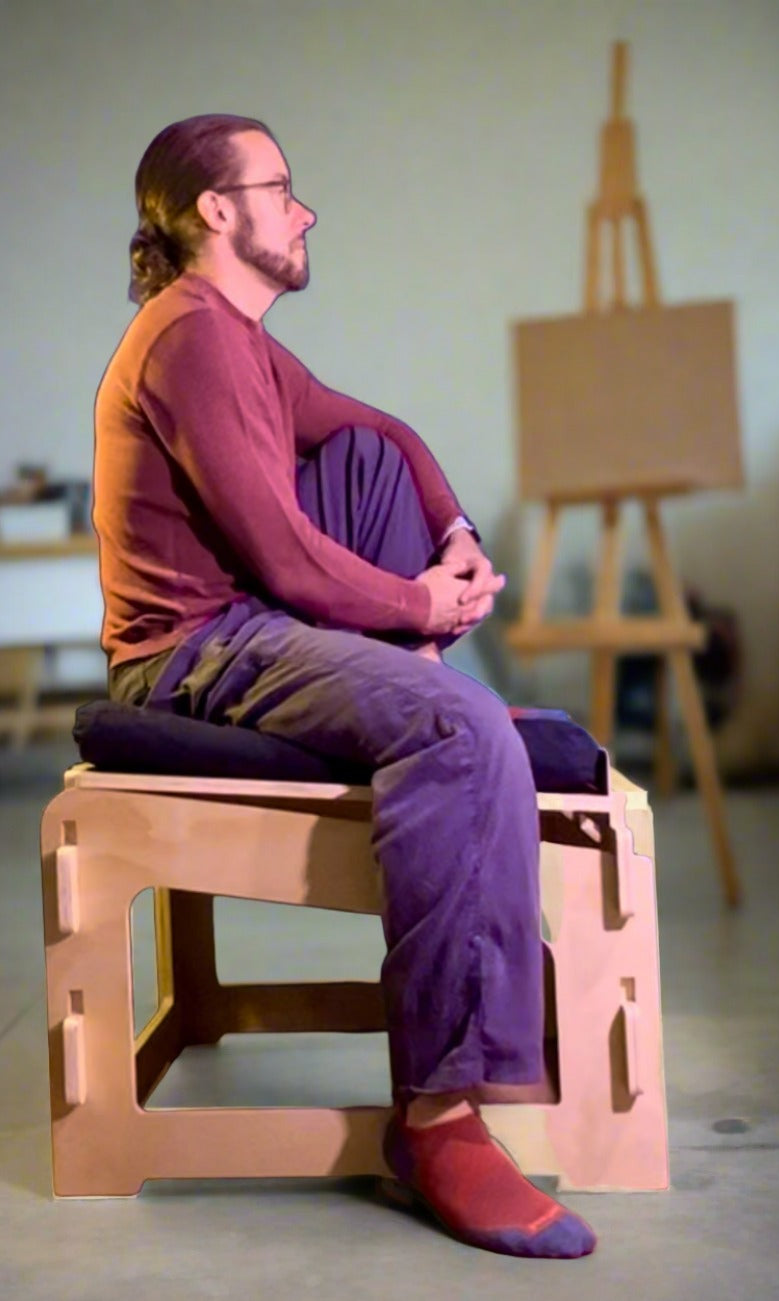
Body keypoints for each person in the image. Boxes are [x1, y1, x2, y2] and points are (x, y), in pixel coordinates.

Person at [93, 114, 596, 1260]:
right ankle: (440, 1119)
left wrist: (455, 535)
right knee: (464, 732)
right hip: (192, 650)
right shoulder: (189, 339)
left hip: (256, 629)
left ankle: (425, 703)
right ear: (216, 211)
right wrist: (431, 609)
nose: (306, 209)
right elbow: (278, 558)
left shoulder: (244, 339)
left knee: (364, 463)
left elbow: (379, 432)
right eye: (283, 188)